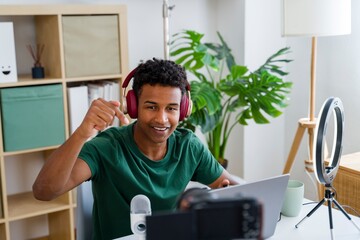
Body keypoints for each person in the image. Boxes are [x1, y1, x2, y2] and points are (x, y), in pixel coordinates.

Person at [32, 58, 239, 239]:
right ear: (133, 106)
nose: (162, 119)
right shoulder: (107, 147)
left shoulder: (188, 146)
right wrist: (82, 133)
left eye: (171, 108)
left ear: (183, 110)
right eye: (151, 106)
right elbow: (44, 191)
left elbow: (229, 187)